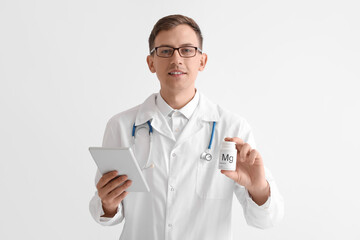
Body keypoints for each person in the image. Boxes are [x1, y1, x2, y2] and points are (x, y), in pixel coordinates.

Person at [89, 14, 284, 240]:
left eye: (187, 50)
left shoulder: (232, 128)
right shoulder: (121, 126)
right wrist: (107, 204)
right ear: (151, 62)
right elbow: (103, 211)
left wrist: (259, 188)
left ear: (202, 61)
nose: (176, 59)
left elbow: (267, 220)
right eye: (165, 51)